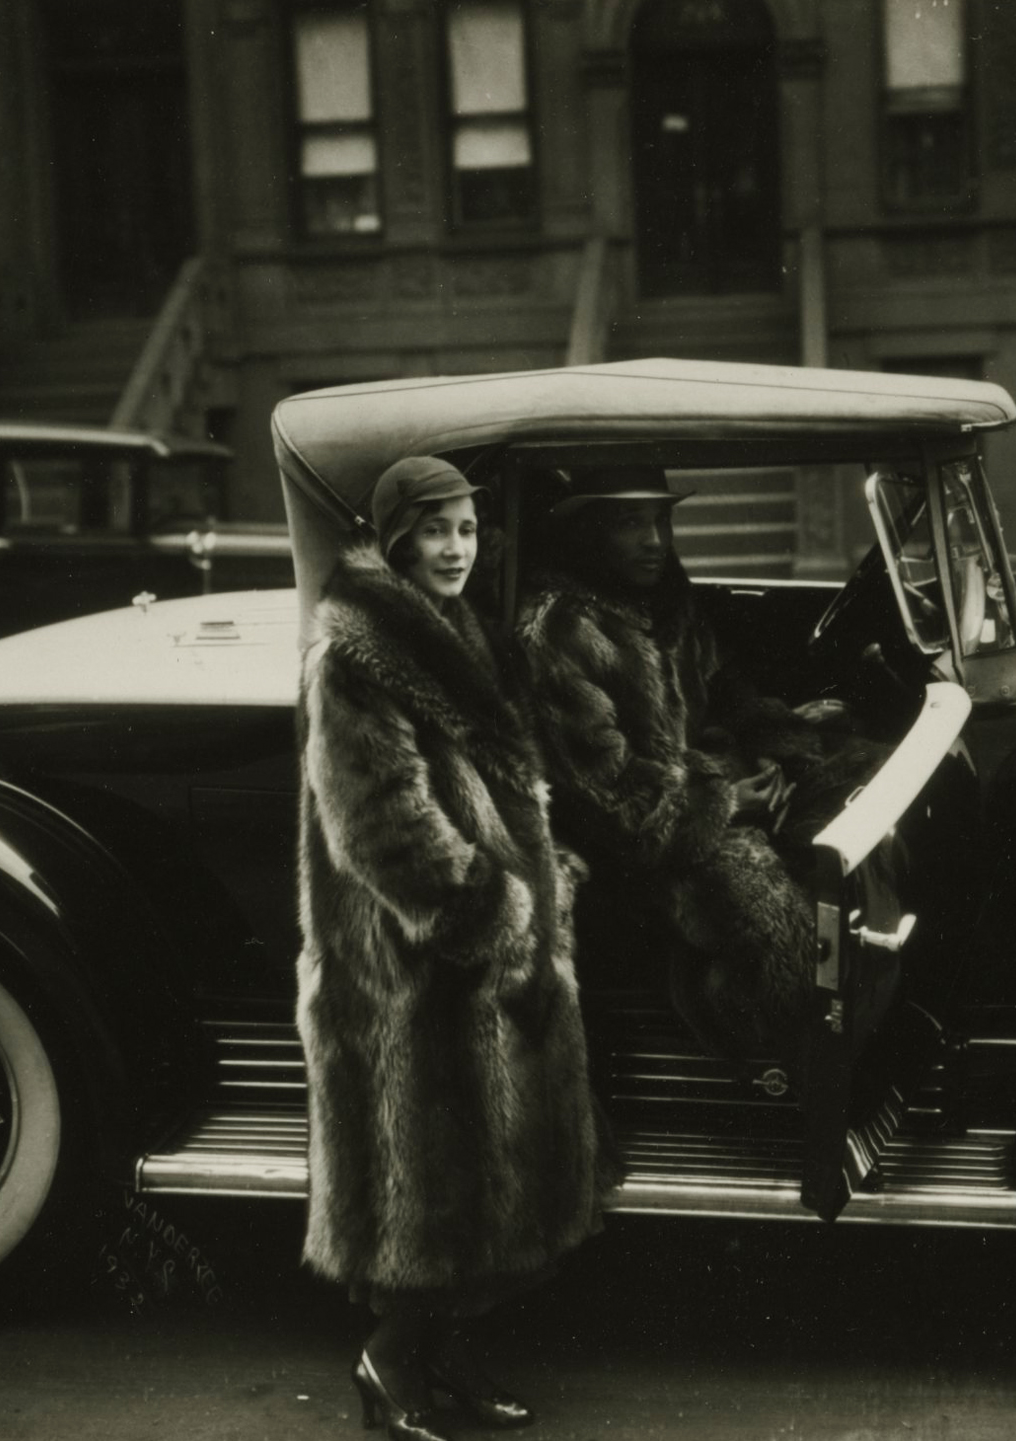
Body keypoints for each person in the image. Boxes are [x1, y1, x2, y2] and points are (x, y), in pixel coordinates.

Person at [296, 455, 609, 1441]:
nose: (456, 549)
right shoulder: (356, 652)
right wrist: (499, 918)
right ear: (397, 537)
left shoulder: (464, 633)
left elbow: (502, 785)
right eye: (436, 531)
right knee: (424, 1200)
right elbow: (383, 823)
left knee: (490, 1190)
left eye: (467, 531)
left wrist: (546, 872)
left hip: (487, 951)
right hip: (413, 966)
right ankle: (387, 1364)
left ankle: (447, 1358)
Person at [513, 465, 837, 1063]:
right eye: (631, 523)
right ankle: (741, 1042)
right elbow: (604, 797)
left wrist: (781, 755)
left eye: (661, 519)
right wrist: (726, 801)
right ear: (589, 531)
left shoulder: (665, 600)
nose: (655, 540)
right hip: (634, 853)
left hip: (708, 794)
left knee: (849, 796)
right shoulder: (559, 627)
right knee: (781, 924)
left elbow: (728, 692)